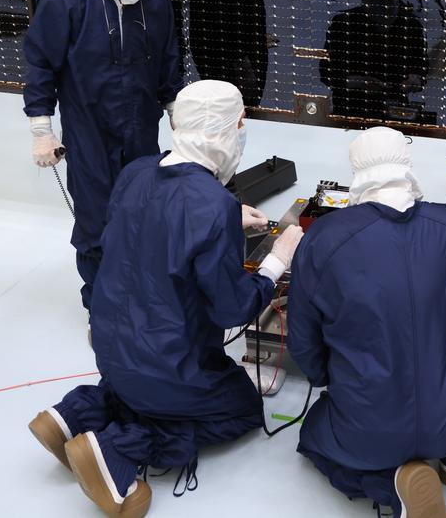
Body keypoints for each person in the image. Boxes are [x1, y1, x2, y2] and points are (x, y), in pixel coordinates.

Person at [27, 80, 304, 518]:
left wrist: (229, 215)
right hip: (166, 364)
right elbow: (232, 308)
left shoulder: (138, 171)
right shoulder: (211, 205)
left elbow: (161, 218)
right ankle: (116, 449)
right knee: (241, 409)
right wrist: (276, 260)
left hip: (112, 350)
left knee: (139, 384)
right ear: (229, 129)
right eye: (240, 124)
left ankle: (74, 414)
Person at [288, 127, 446, 517]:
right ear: (406, 166)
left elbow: (304, 342)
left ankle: (390, 484)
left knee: (314, 434)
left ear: (358, 171)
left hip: (368, 430)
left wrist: (330, 378)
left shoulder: (324, 238)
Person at [24, 0, 186, 310]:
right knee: (97, 223)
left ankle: (143, 297)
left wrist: (177, 111)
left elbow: (168, 57)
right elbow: (42, 62)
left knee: (144, 214)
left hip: (141, 127)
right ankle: (103, 308)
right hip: (89, 129)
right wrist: (41, 128)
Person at [319, 0, 429, 120]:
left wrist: (415, 79)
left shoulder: (411, 26)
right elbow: (326, 72)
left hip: (394, 112)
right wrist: (356, 83)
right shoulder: (344, 24)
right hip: (351, 111)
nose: (389, 2)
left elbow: (421, 66)